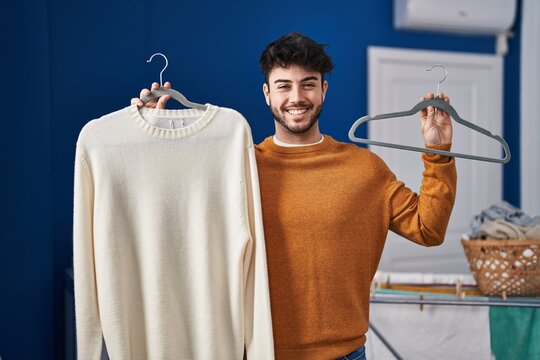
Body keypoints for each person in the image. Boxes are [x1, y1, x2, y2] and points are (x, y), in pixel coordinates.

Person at [132, 32, 457, 360]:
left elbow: (429, 229)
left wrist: (438, 150)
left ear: (323, 90)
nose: (296, 96)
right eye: (284, 85)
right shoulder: (239, 169)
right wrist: (149, 138)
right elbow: (169, 218)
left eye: (308, 84)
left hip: (345, 355)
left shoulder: (365, 169)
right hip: (258, 353)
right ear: (267, 93)